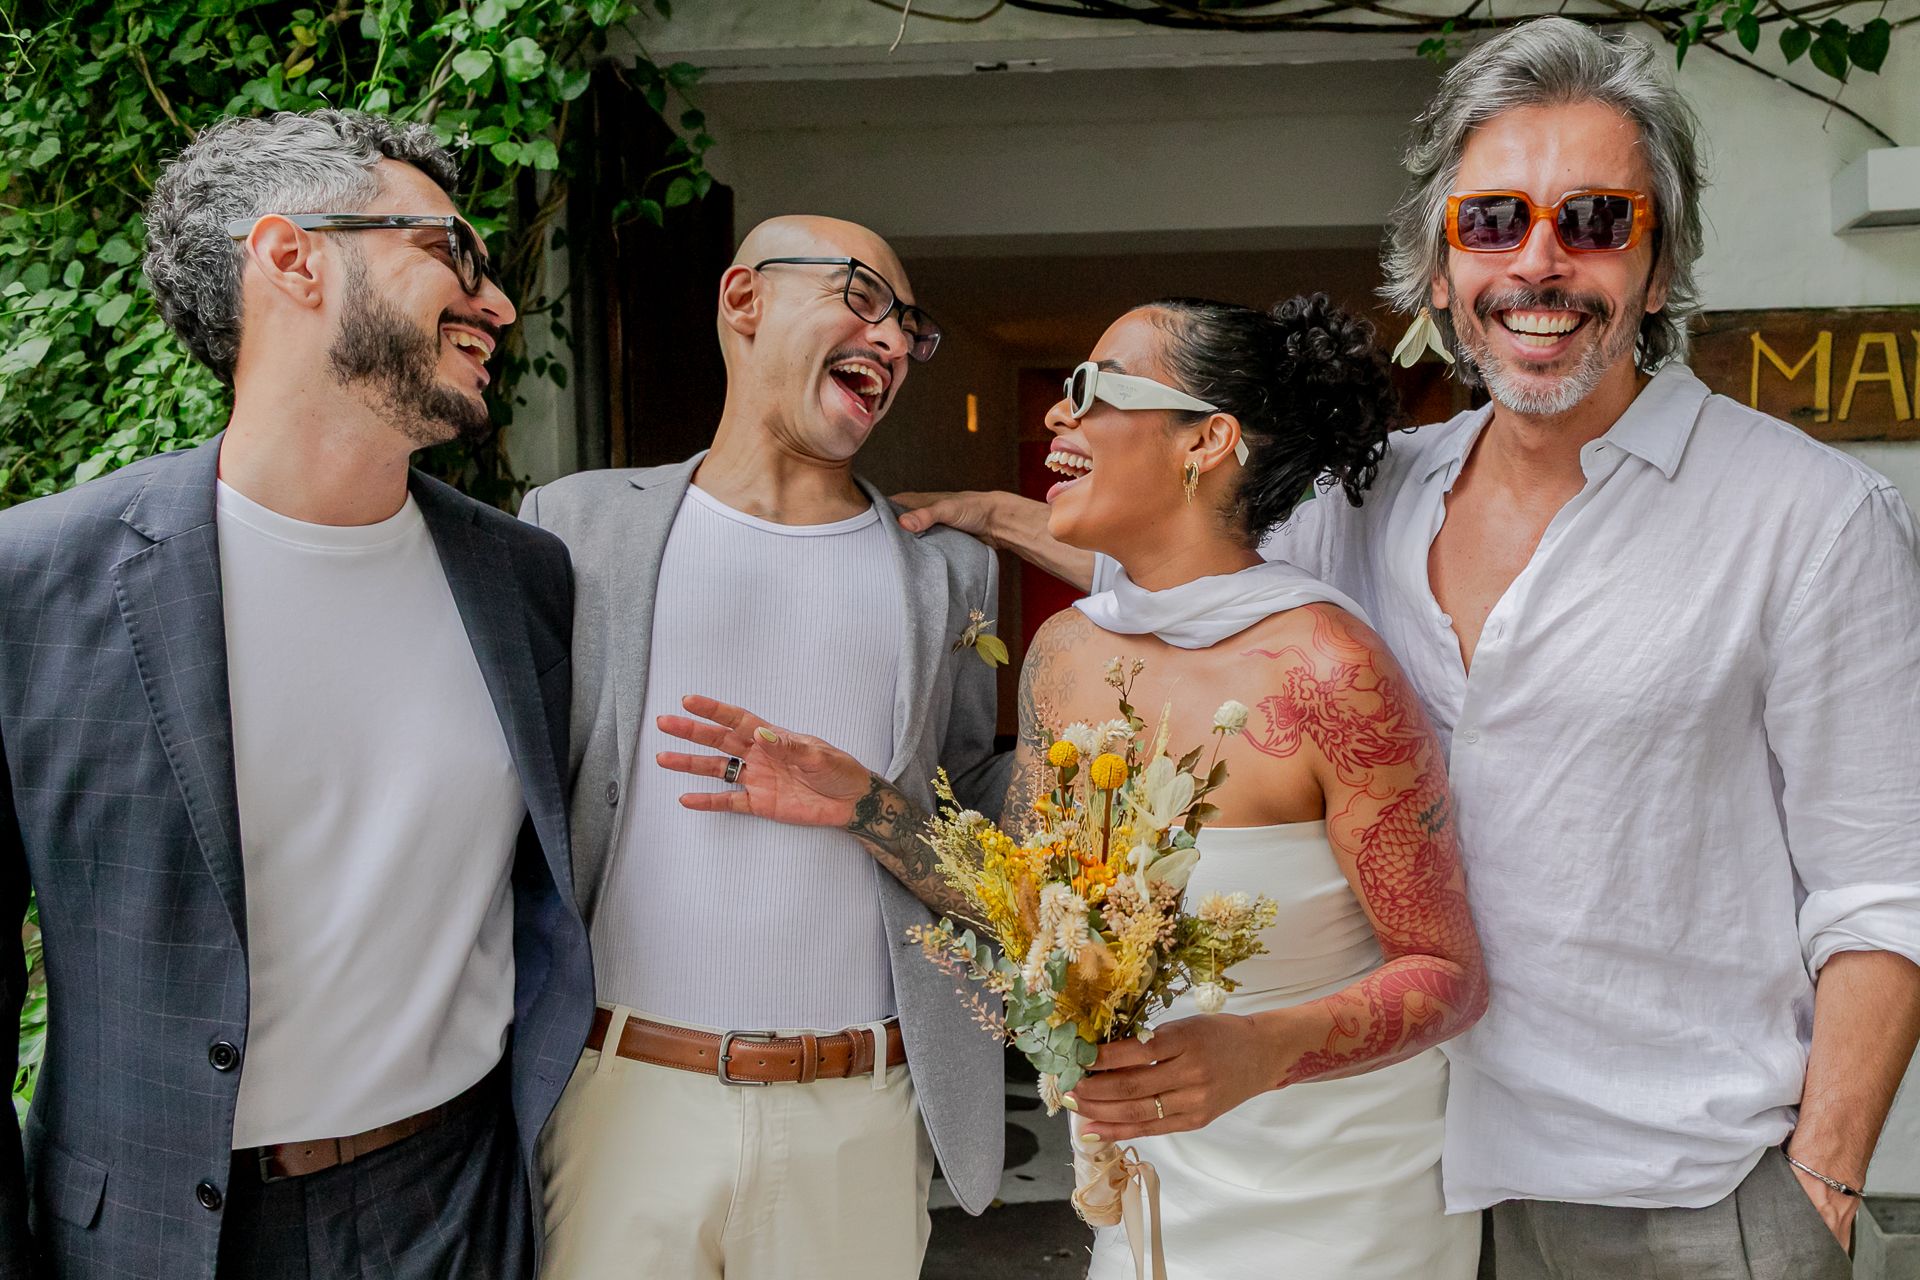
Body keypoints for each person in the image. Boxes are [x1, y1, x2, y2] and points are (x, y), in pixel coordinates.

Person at [896, 18, 1920, 1279]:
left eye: (1596, 220)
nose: (1538, 261)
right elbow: (1173, 584)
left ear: (1658, 270)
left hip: (1674, 1191)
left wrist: (1819, 1183)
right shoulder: (1365, 496)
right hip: (1396, 1176)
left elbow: (1883, 890)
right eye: (1491, 221)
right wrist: (972, 518)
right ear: (1439, 269)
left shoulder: (1811, 518)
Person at [661, 292, 1489, 1278]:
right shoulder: (1066, 655)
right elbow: (1025, 905)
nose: (1060, 412)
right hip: (1146, 1184)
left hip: (1344, 1203)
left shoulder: (1330, 672)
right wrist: (862, 805)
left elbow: (1447, 972)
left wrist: (1264, 1047)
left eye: (1095, 388)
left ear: (1208, 438)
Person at [0, 110, 594, 1280]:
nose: (497, 303)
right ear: (291, 257)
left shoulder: (526, 580)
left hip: (458, 1209)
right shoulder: (36, 582)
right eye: (451, 250)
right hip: (153, 1236)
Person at [520, 215, 1007, 1280]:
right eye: (863, 298)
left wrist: (869, 804)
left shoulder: (951, 574)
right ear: (743, 300)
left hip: (858, 1112)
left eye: (910, 328)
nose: (893, 341)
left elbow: (988, 858)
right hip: (620, 1103)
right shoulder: (574, 526)